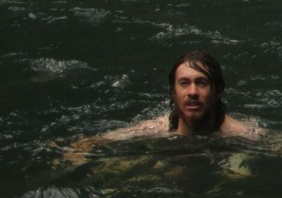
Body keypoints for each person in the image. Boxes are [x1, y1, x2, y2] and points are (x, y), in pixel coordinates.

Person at [63, 50, 258, 161]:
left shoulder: (244, 134)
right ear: (173, 93)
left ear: (218, 91)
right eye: (184, 83)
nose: (192, 92)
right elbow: (92, 142)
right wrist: (74, 152)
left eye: (201, 83)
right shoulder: (156, 128)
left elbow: (278, 145)